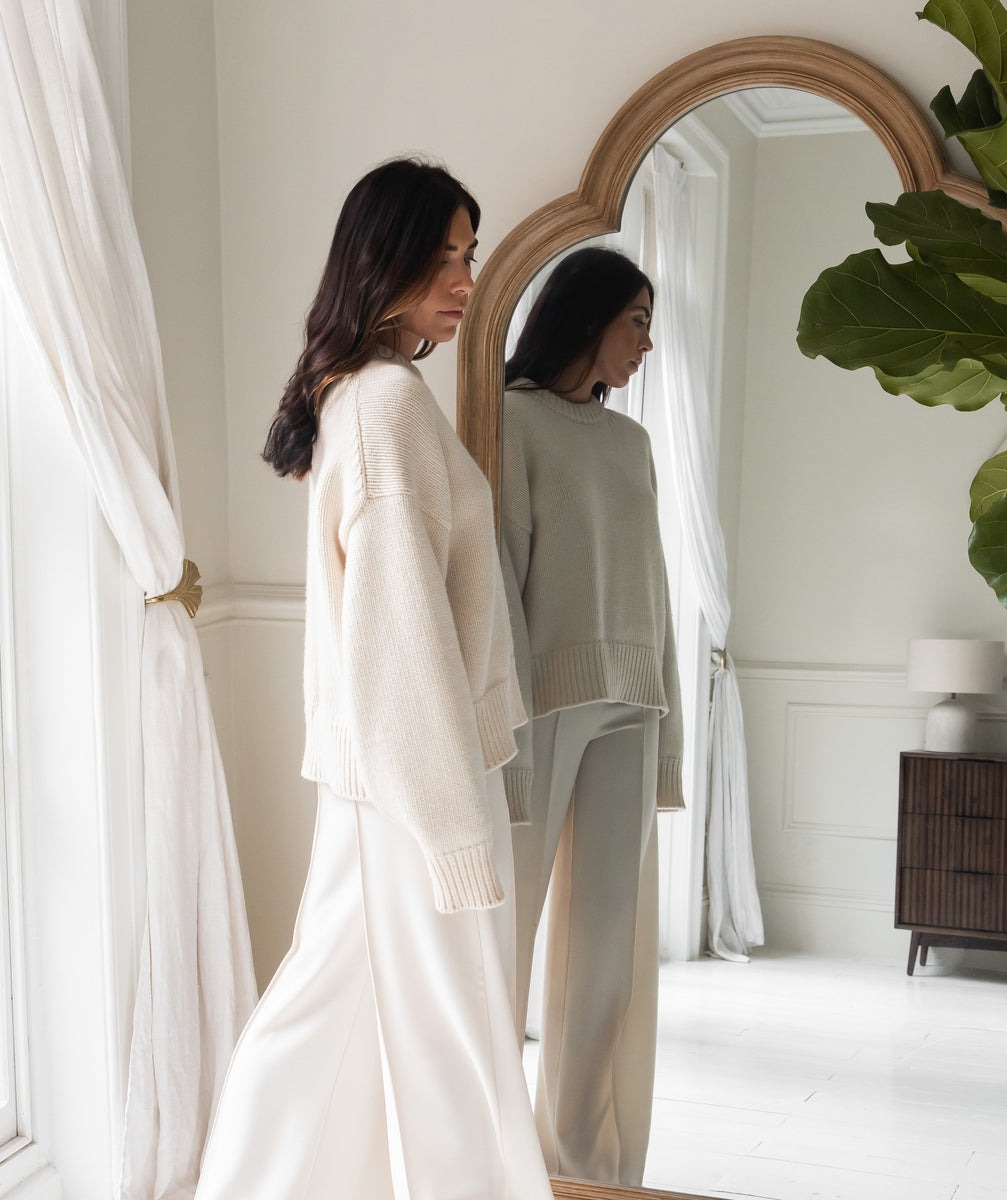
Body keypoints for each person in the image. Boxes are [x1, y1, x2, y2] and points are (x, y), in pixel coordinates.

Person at [195, 158, 553, 1200]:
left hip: (391, 783)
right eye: (440, 254)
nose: (465, 277)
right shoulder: (387, 403)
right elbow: (400, 643)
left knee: (338, 1007)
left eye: (468, 254)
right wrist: (453, 832)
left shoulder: (366, 395)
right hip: (414, 789)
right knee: (451, 1050)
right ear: (378, 261)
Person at [500, 245, 684, 1188]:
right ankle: (487, 1149)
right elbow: (498, 585)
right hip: (538, 704)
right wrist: (499, 737)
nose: (649, 342)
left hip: (630, 702)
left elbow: (655, 592)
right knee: (509, 935)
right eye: (638, 319)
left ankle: (579, 1163)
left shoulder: (634, 442)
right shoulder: (509, 423)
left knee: (603, 955)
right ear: (588, 316)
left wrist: (668, 736)